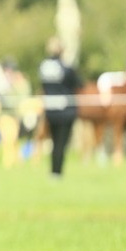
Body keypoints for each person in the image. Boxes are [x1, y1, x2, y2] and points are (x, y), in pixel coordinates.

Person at [39, 37, 82, 178]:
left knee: (54, 141)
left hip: (50, 109)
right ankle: (57, 172)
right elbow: (78, 84)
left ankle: (53, 171)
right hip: (65, 110)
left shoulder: (43, 67)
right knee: (61, 143)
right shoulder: (66, 68)